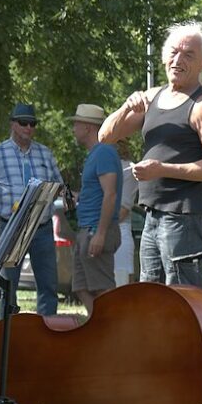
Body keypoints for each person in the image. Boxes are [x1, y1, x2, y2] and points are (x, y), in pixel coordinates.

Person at [99, 21, 202, 290]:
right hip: (152, 216)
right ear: (163, 56)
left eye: (188, 54)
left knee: (182, 303)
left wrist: (162, 169)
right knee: (151, 300)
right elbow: (105, 137)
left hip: (186, 219)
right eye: (173, 52)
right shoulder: (153, 96)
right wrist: (125, 108)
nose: (178, 59)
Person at [0, 103, 64, 316]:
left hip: (42, 227)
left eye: (32, 124)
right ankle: (8, 339)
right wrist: (2, 216)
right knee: (8, 287)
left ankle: (46, 336)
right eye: (23, 123)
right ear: (13, 124)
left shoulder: (45, 153)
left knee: (48, 285)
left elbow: (58, 187)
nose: (28, 127)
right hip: (12, 227)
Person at [68, 104, 122, 315]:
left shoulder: (104, 153)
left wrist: (100, 234)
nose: (73, 128)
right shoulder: (94, 155)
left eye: (76, 123)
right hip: (86, 228)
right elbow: (98, 193)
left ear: (88, 127)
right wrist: (76, 197)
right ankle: (98, 328)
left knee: (103, 288)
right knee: (80, 286)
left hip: (96, 230)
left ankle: (117, 331)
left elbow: (110, 194)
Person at [114, 140, 139, 286]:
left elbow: (123, 211)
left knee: (120, 286)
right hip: (103, 231)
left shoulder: (128, 169)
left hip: (119, 233)